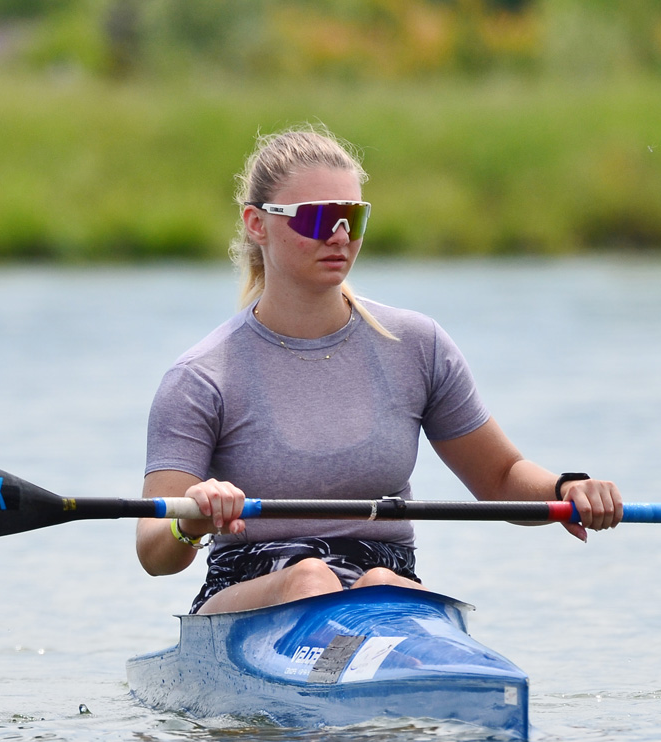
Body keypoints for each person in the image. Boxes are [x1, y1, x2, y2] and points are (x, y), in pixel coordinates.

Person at [137, 126, 623, 614]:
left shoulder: (417, 346)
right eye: (319, 218)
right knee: (309, 579)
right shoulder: (202, 377)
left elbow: (500, 478)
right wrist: (189, 519)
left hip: (382, 580)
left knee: (386, 586)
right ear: (256, 224)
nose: (340, 235)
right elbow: (153, 550)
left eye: (353, 216)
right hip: (252, 588)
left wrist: (566, 489)